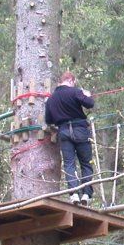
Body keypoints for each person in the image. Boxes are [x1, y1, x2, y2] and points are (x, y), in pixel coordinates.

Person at [45, 71, 96, 204]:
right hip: (80, 129)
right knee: (85, 163)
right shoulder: (74, 91)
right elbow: (90, 103)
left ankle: (74, 194)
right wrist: (87, 95)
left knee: (69, 164)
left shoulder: (51, 99)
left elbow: (48, 119)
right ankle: (86, 194)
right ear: (71, 80)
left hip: (63, 131)